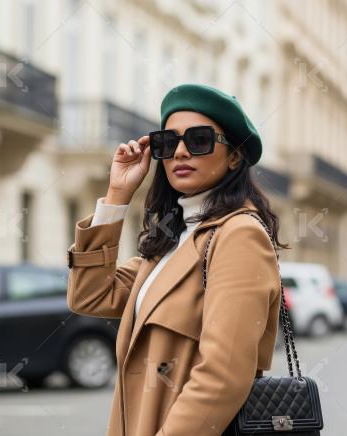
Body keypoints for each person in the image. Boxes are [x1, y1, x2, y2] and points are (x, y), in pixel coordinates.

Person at [66, 83, 288, 436]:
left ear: (234, 155)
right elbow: (90, 294)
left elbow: (224, 376)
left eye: (199, 140)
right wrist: (118, 194)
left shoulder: (237, 236)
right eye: (167, 143)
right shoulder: (174, 241)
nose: (180, 152)